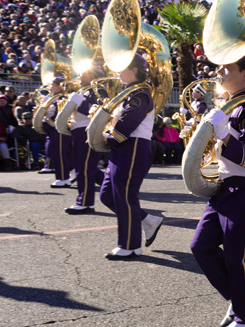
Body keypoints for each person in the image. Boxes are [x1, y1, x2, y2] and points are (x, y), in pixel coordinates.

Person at [190, 52, 245, 327]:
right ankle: (240, 301)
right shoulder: (229, 105)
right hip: (227, 186)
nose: (220, 70)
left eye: (228, 67)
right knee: (201, 246)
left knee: (237, 255)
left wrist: (223, 132)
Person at [98, 53, 165, 260]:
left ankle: (130, 245)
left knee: (125, 197)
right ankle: (147, 221)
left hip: (133, 148)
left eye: (123, 67)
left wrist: (103, 138)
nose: (118, 71)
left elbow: (125, 127)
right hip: (124, 148)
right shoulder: (130, 93)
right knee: (107, 195)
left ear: (134, 70)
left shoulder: (140, 94)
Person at [63, 65, 107, 214]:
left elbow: (99, 111)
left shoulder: (97, 90)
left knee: (85, 169)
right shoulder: (83, 90)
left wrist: (79, 103)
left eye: (83, 73)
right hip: (78, 132)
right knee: (87, 168)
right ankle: (113, 190)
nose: (79, 75)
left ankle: (85, 202)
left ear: (91, 75)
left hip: (87, 131)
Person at [42, 78, 74, 188]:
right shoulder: (52, 98)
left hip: (60, 128)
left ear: (59, 86)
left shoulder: (63, 97)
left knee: (59, 153)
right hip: (53, 129)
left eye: (52, 85)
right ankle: (73, 170)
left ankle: (63, 178)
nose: (49, 87)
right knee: (55, 152)